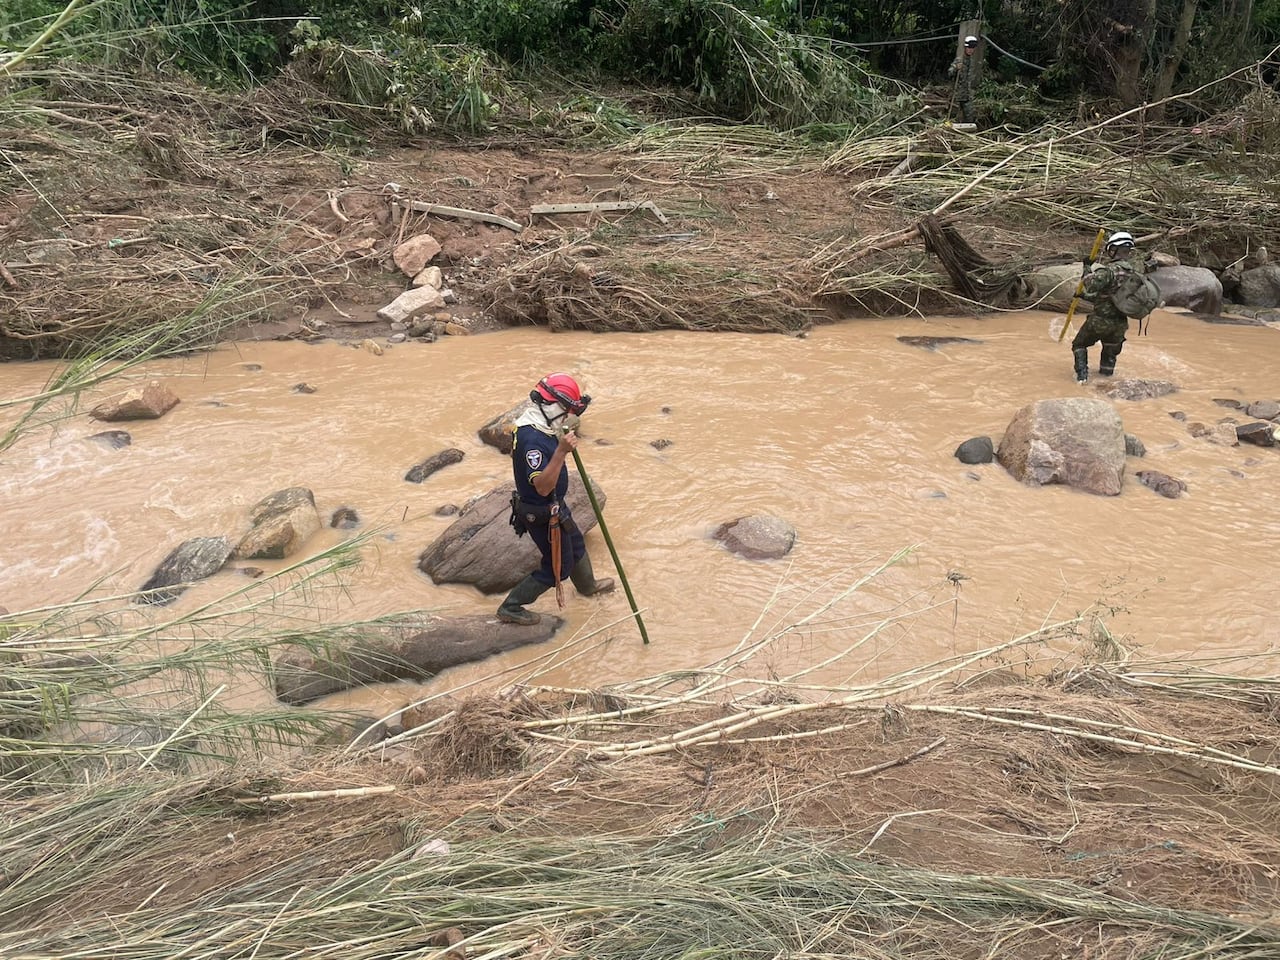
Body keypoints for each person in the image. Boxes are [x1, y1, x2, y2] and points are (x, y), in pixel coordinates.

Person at [497, 373, 615, 625]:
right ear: (550, 406)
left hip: (555, 506)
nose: (567, 416)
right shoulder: (532, 439)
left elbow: (566, 424)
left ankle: (587, 586)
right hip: (540, 511)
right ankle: (511, 607)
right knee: (557, 568)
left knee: (576, 542)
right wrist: (561, 451)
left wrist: (568, 429)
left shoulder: (544, 423)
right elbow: (541, 486)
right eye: (565, 410)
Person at [1071, 231, 1160, 383]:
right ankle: (1106, 381)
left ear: (1113, 250)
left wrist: (1086, 267)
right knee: (1109, 353)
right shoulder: (1133, 273)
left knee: (1079, 345)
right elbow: (1112, 297)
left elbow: (1091, 285)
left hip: (1100, 321)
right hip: (1119, 325)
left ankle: (1082, 379)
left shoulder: (1108, 271)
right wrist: (1083, 297)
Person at [949, 35, 980, 124]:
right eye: (969, 48)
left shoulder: (972, 61)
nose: (970, 50)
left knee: (970, 117)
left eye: (972, 48)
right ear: (965, 47)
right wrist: (955, 68)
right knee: (953, 118)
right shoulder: (959, 60)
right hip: (957, 94)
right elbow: (949, 73)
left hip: (968, 95)